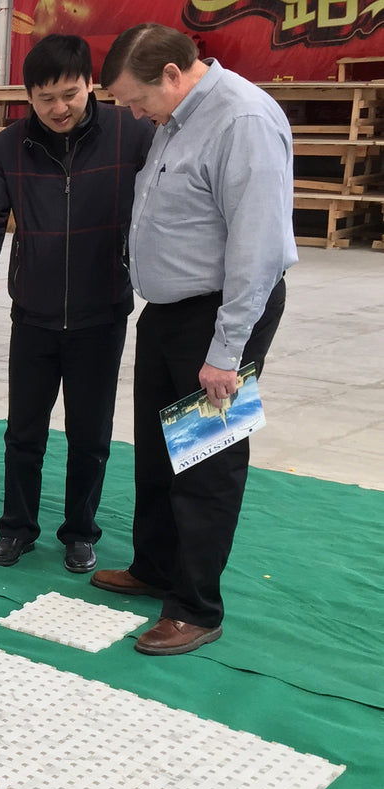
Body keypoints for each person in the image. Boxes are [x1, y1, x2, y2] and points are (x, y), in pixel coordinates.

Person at [94, 23, 295, 655]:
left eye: (137, 100)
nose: (133, 113)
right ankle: (156, 567)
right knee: (159, 449)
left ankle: (196, 607)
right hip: (169, 310)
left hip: (223, 315)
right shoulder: (176, 119)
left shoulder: (243, 122)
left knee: (207, 460)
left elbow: (257, 252)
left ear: (175, 75)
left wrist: (226, 353)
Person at [0, 34, 154, 574]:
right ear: (28, 97)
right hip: (35, 317)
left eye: (70, 94)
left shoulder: (131, 135)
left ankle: (79, 532)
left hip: (101, 315)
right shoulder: (9, 147)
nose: (59, 109)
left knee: (90, 436)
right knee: (23, 432)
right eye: (45, 99)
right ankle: (17, 528)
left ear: (92, 84)